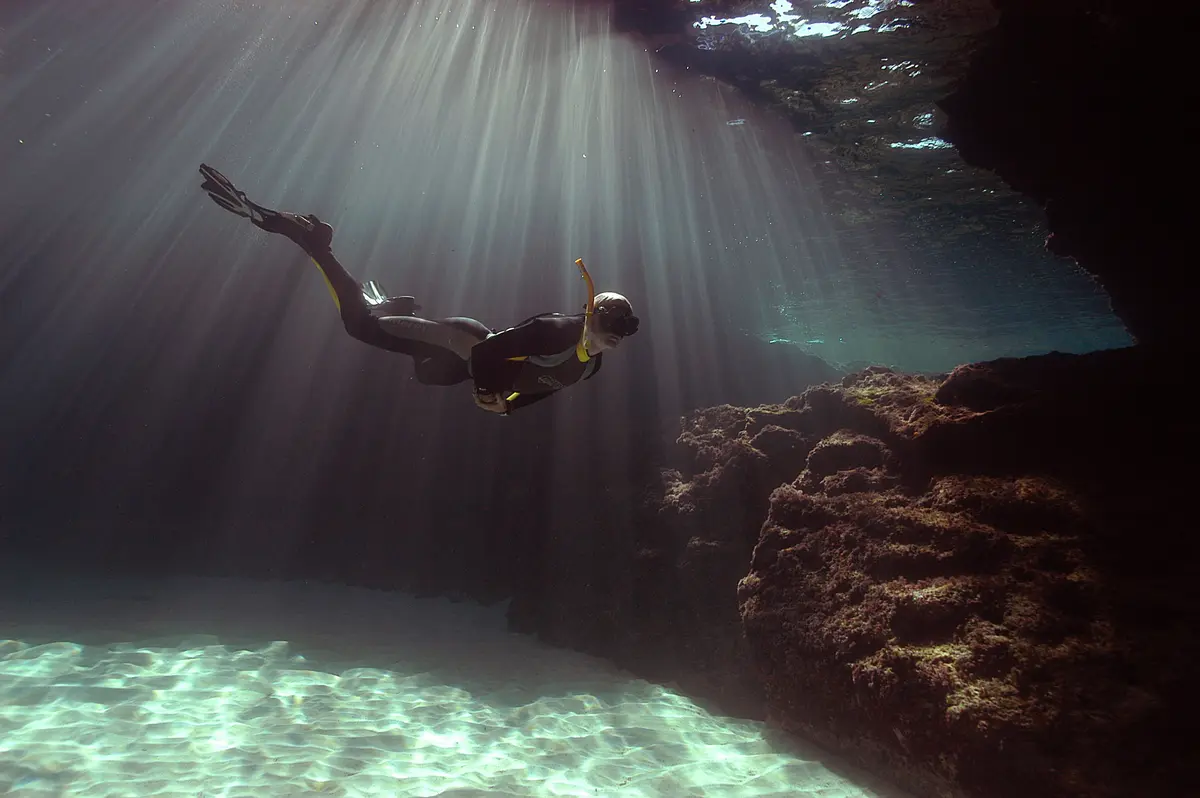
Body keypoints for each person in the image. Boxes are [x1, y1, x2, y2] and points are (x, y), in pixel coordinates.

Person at [197, 164, 640, 415]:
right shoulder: (554, 329)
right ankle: (307, 240)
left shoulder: (591, 367)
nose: (619, 329)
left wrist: (509, 407)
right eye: (613, 316)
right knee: (359, 327)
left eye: (627, 325)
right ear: (589, 309)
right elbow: (487, 355)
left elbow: (548, 387)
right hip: (461, 343)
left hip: (453, 365)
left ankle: (390, 304)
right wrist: (487, 393)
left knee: (416, 364)